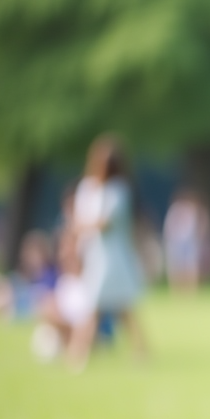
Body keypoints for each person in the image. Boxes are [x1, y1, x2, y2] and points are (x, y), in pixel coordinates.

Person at [66, 135, 148, 369]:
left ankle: (77, 355)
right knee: (114, 308)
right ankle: (139, 351)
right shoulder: (87, 188)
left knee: (106, 306)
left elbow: (104, 222)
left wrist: (80, 225)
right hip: (94, 255)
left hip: (113, 258)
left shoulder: (119, 190)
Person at [163, 188, 210, 294]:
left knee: (191, 266)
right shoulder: (176, 209)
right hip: (177, 243)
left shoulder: (192, 210)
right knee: (177, 266)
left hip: (190, 242)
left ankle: (191, 290)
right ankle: (177, 290)